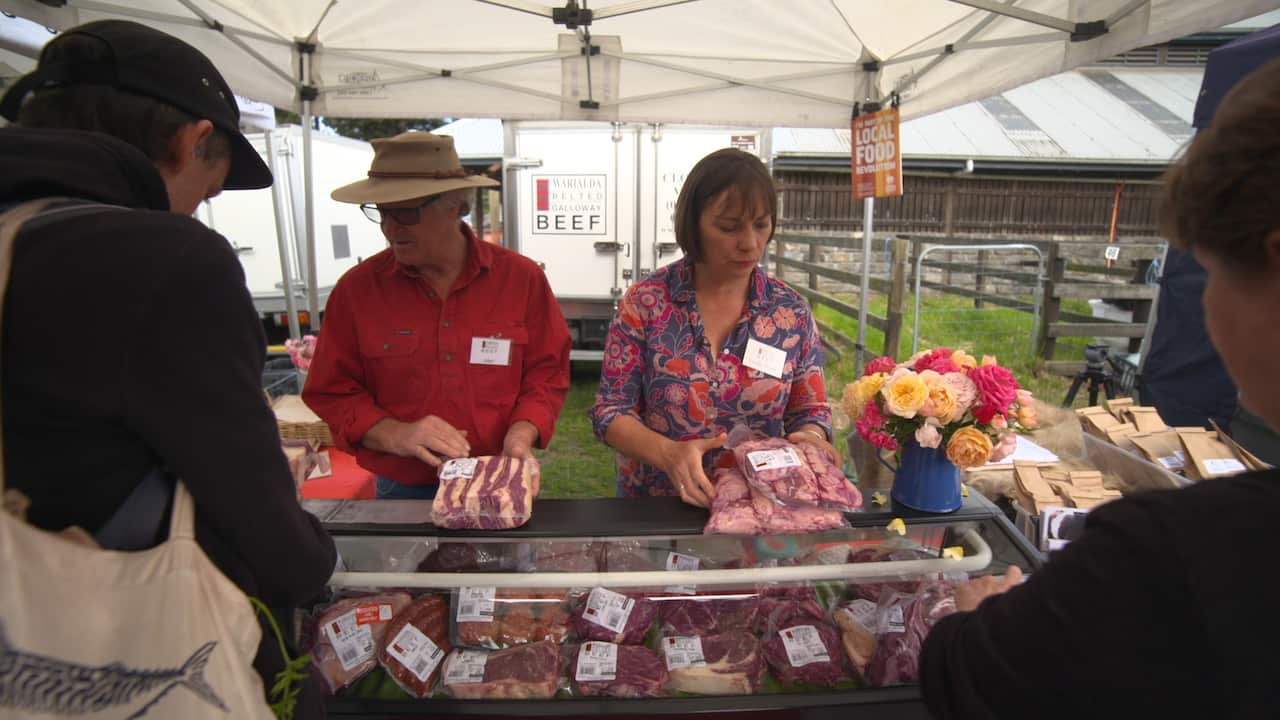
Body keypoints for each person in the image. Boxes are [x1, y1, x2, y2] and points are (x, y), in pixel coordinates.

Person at [919, 57, 1280, 718]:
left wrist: (974, 620)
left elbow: (964, 674)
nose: (1204, 306)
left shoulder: (1176, 549)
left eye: (1209, 270)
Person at [0, 20, 336, 717]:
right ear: (191, 140)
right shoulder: (163, 258)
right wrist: (315, 558)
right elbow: (268, 535)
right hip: (107, 643)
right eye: (208, 192)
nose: (199, 213)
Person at [303, 132, 571, 499]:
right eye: (381, 212)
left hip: (498, 477)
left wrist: (521, 433)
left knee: (507, 560)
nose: (390, 227)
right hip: (403, 489)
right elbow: (331, 391)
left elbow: (547, 371)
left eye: (406, 212)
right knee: (402, 561)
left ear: (454, 204)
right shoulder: (356, 291)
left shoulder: (521, 280)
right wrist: (394, 432)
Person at [590, 148, 834, 507]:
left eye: (761, 224)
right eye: (729, 227)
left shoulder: (790, 311)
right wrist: (668, 453)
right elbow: (610, 410)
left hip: (757, 505)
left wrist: (812, 436)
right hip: (656, 504)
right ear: (694, 225)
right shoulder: (646, 303)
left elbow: (809, 410)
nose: (750, 243)